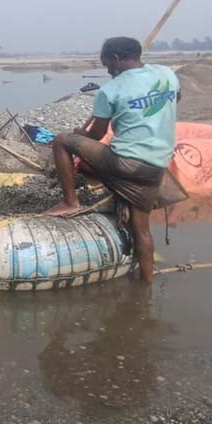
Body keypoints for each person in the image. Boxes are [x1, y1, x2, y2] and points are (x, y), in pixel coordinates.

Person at [45, 37, 183, 283]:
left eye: (106, 63)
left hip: (126, 163)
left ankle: (70, 202)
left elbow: (97, 135)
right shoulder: (166, 74)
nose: (107, 69)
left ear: (116, 59)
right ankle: (145, 284)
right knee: (142, 230)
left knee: (61, 141)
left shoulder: (110, 90)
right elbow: (177, 98)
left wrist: (81, 134)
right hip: (156, 166)